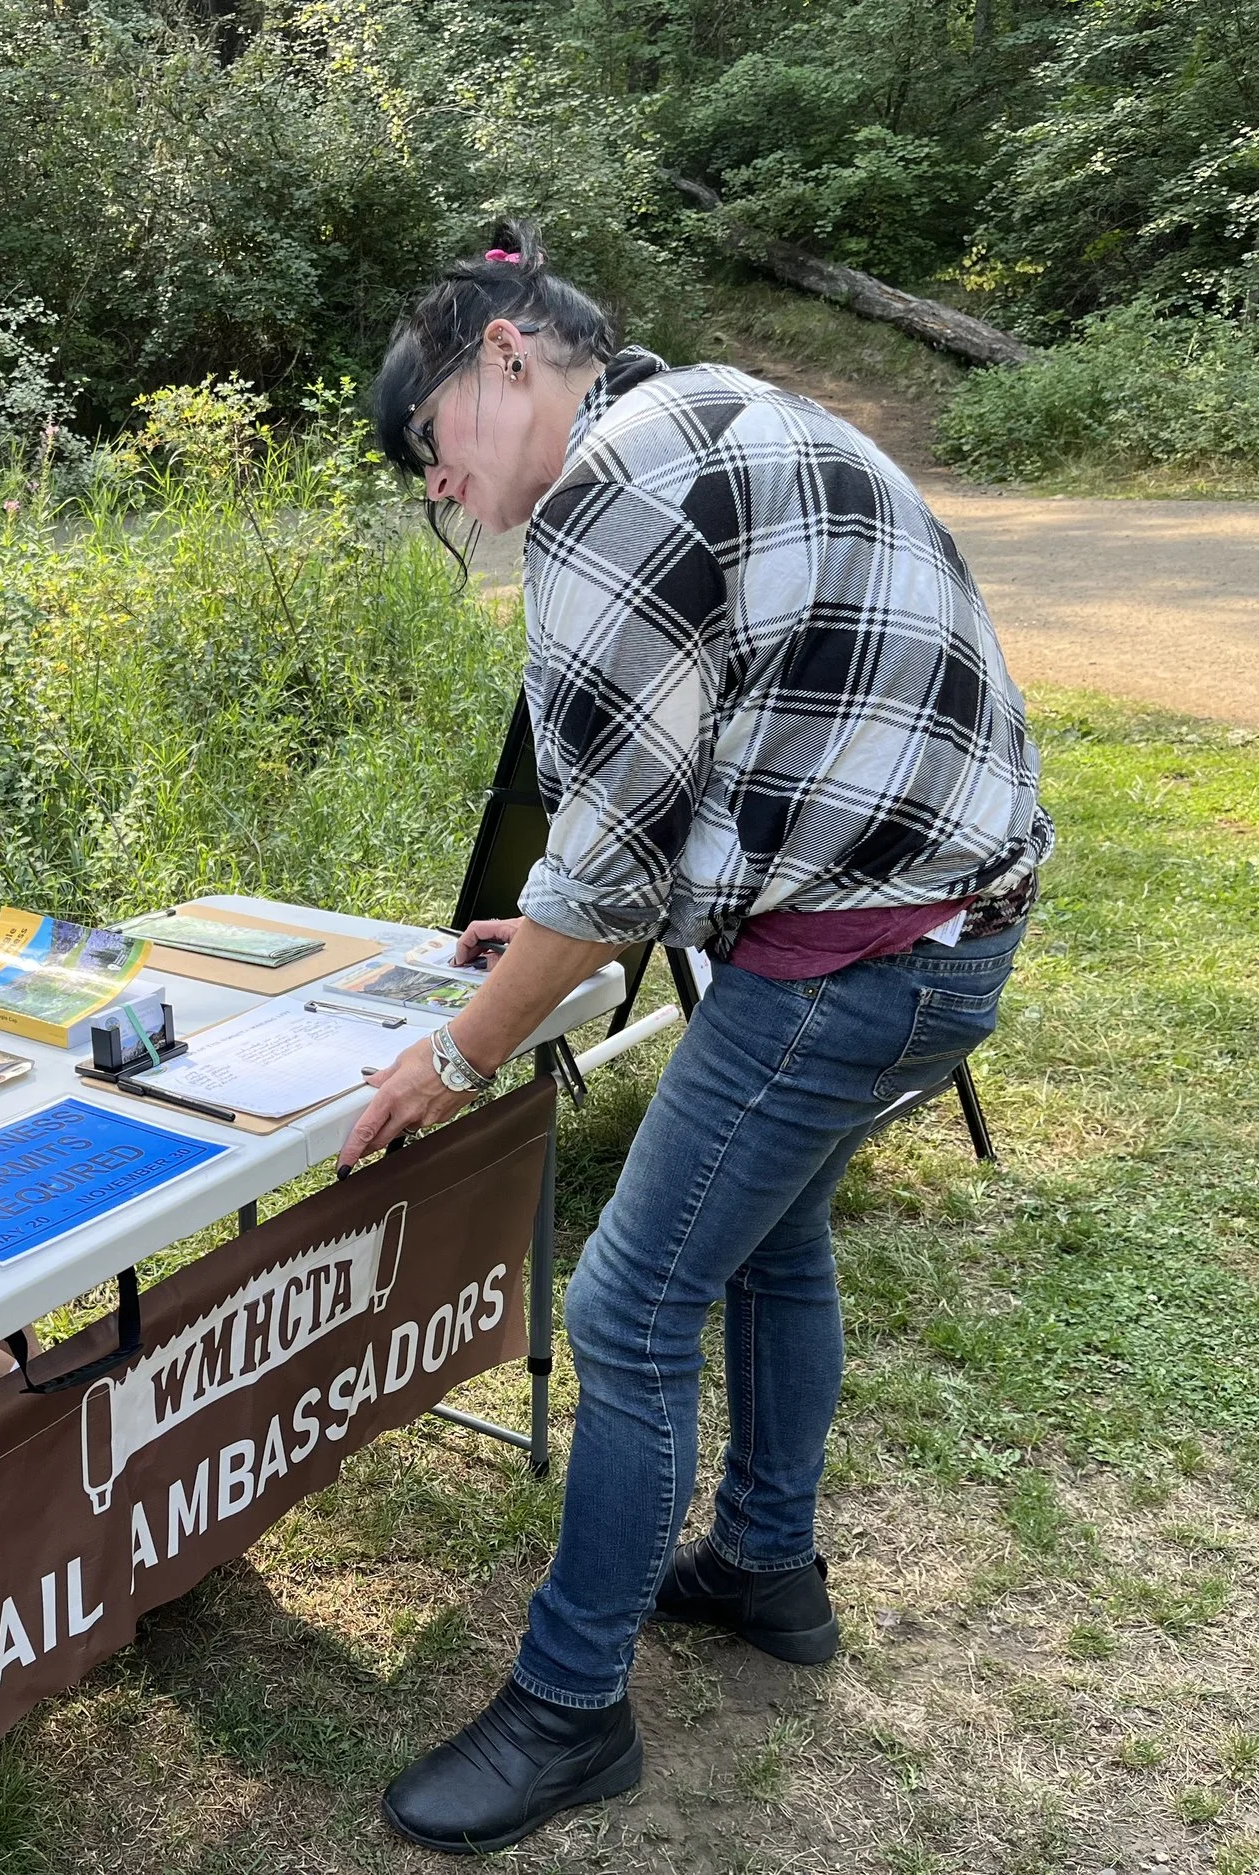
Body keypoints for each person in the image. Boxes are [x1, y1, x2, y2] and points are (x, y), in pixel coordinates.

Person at [343, 226, 1052, 1855]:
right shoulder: (717, 406)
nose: (439, 488)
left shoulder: (604, 502)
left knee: (629, 1301)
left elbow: (606, 869)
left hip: (865, 956)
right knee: (772, 1241)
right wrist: (545, 934)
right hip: (948, 918)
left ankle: (571, 1709)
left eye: (427, 443)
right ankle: (766, 1569)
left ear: (506, 356)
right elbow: (695, 774)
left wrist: (448, 1059)